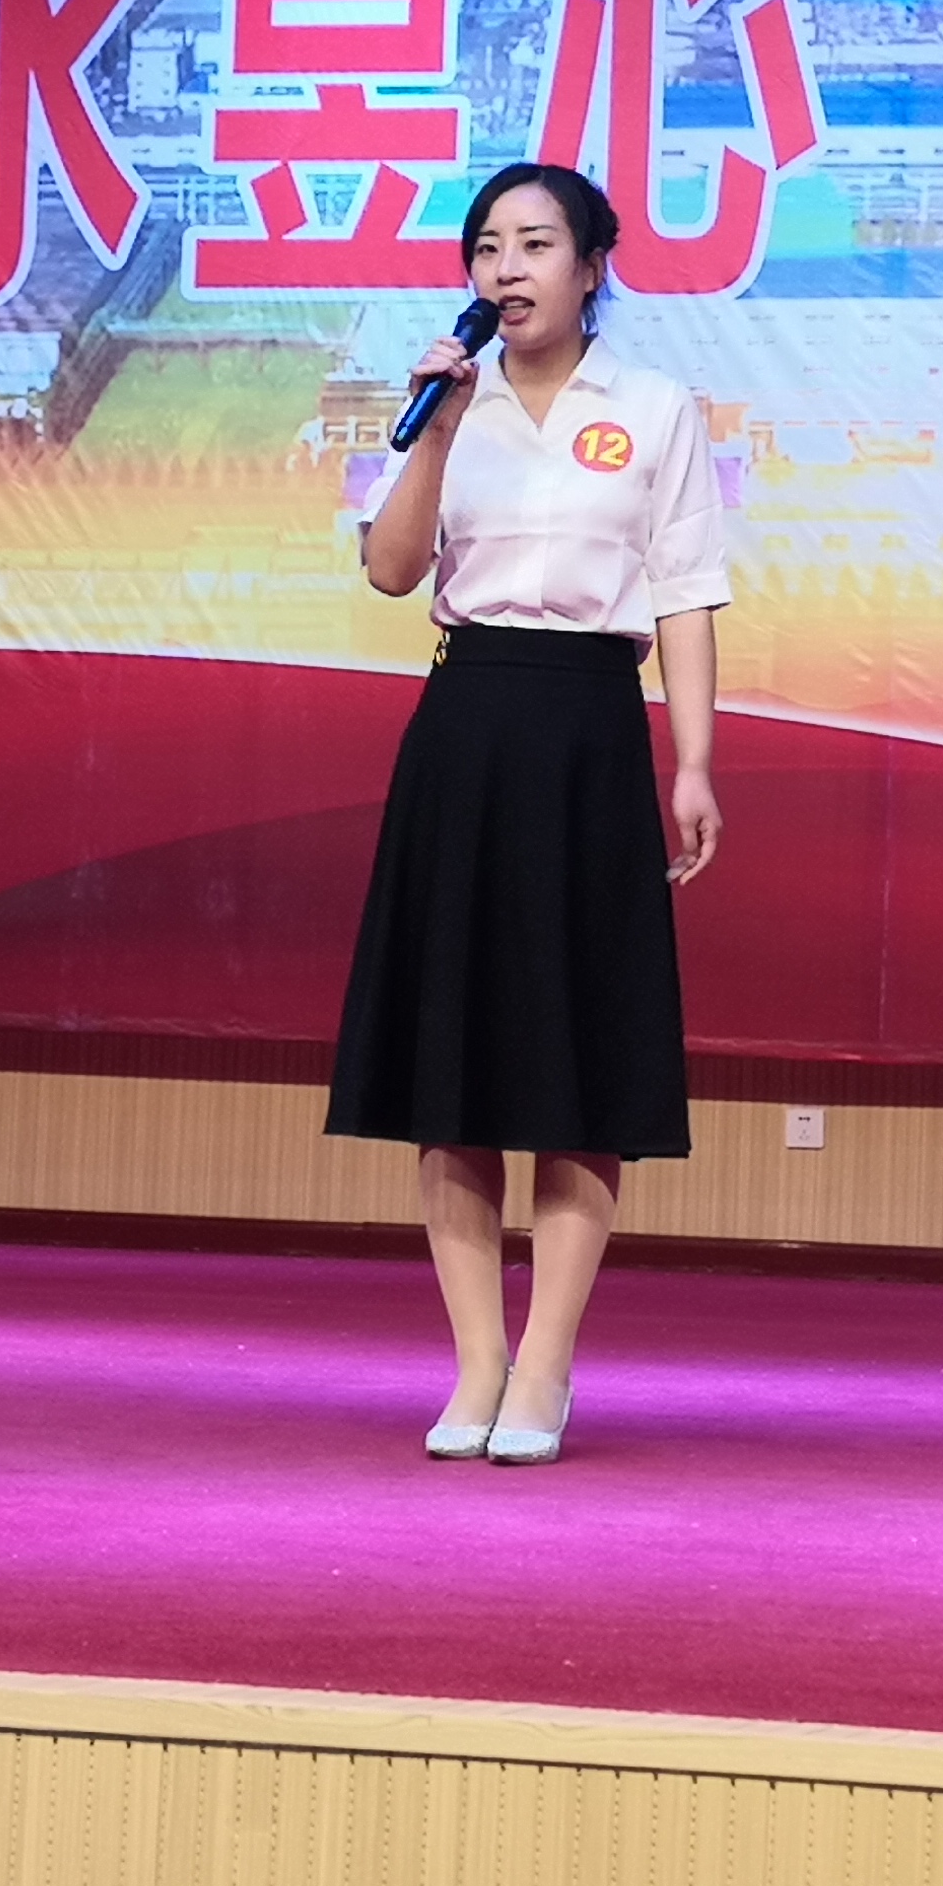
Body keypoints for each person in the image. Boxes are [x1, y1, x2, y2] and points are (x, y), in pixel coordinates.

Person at [329, 160, 728, 1464]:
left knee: (576, 1062)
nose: (507, 268)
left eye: (536, 243)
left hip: (592, 730)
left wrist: (693, 765)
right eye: (488, 247)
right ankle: (477, 1368)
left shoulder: (654, 408)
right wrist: (438, 429)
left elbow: (686, 591)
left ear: (592, 266)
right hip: (467, 724)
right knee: (453, 1063)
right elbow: (393, 572)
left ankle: (546, 1368)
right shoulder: (452, 402)